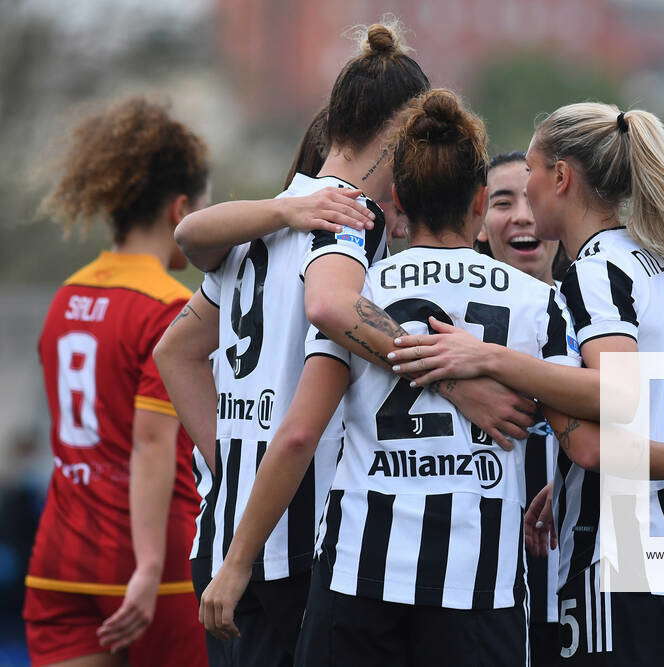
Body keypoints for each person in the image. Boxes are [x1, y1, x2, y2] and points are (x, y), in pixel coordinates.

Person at [154, 21, 535, 666]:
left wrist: (229, 463)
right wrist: (453, 376)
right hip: (304, 539)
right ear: (399, 137)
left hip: (227, 529)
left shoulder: (271, 216)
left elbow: (176, 351)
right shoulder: (352, 227)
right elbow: (329, 310)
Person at [388, 101, 664, 665]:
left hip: (621, 557)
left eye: (529, 172)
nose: (524, 192)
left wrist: (487, 358)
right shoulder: (645, 260)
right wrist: (568, 480)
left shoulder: (595, 271)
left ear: (562, 178)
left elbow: (602, 423)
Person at [23, 97, 209, 667]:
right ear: (181, 209)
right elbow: (151, 443)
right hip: (156, 565)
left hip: (60, 559)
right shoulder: (171, 308)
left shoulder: (68, 295)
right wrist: (148, 566)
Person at [479, 150, 563, 665]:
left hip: (576, 576)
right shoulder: (450, 324)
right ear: (478, 223)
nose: (523, 216)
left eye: (533, 200)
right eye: (502, 202)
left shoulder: (600, 317)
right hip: (486, 580)